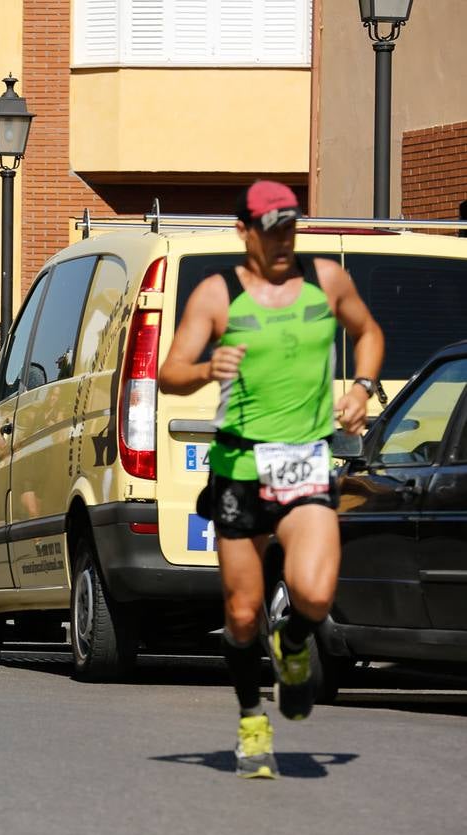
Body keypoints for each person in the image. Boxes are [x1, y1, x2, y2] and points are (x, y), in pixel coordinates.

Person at [160, 181, 384, 778]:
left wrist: (361, 388)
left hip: (306, 462)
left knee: (313, 594)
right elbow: (169, 372)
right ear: (245, 232)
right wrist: (208, 366)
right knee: (240, 612)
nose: (283, 239)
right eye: (271, 228)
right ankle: (251, 719)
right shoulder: (217, 294)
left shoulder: (326, 281)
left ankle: (290, 643)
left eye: (291, 226)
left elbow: (369, 333)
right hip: (240, 468)